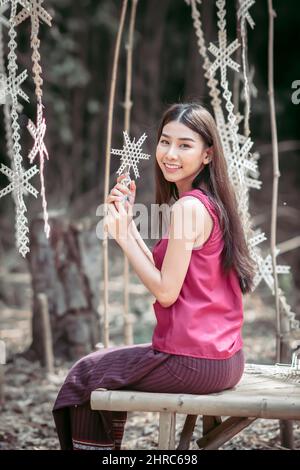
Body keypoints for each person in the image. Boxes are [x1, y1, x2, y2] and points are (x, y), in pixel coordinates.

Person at [52, 102, 255, 450]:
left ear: (207, 155)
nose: (170, 153)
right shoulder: (207, 201)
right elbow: (166, 275)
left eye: (184, 145)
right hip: (224, 359)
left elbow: (165, 293)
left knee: (84, 376)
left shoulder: (188, 208)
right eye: (165, 141)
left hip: (193, 361)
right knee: (95, 369)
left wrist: (122, 238)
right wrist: (127, 228)